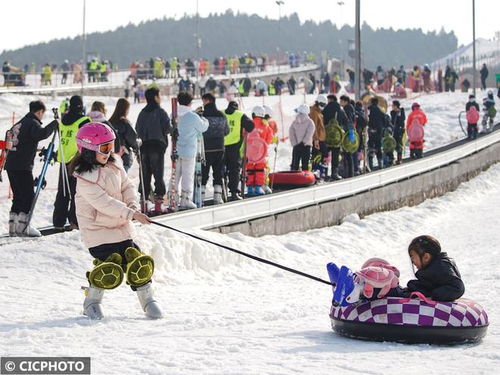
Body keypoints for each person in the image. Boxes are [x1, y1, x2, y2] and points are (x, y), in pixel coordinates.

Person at [72, 122, 162, 320]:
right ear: (88, 149)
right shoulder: (85, 178)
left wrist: (133, 206)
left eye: (111, 145)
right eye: (104, 148)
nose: (109, 151)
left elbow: (126, 186)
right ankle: (92, 302)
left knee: (136, 261)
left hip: (121, 227)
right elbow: (105, 203)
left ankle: (148, 300)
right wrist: (130, 214)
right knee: (110, 265)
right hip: (98, 231)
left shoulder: (115, 163)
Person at [5, 101, 58, 237]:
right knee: (28, 195)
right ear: (39, 112)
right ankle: (23, 227)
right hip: (22, 166)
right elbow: (41, 134)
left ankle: (13, 226)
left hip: (11, 164)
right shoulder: (32, 123)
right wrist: (54, 124)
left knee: (18, 196)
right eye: (42, 114)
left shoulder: (20, 123)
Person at [53, 95, 91, 230]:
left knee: (62, 191)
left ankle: (58, 221)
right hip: (77, 159)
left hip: (63, 158)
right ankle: (74, 221)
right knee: (76, 192)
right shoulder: (84, 120)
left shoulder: (63, 120)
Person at [135, 87, 171, 211]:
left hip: (144, 147)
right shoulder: (160, 112)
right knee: (158, 175)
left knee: (144, 175)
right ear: (155, 97)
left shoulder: (142, 113)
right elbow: (167, 128)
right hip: (157, 147)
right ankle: (158, 205)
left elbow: (138, 130)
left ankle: (144, 203)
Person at [176, 92, 209, 209]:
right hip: (189, 150)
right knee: (187, 176)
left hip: (176, 150)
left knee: (175, 176)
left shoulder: (175, 114)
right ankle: (186, 200)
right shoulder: (192, 116)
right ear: (190, 103)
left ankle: (172, 199)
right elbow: (203, 127)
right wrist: (203, 117)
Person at [405, 235, 465, 301]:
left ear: (426, 257)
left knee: (414, 286)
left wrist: (434, 296)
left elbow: (458, 287)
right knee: (412, 284)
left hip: (439, 294)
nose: (412, 261)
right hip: (435, 288)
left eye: (412, 256)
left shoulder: (441, 267)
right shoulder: (434, 266)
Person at [200, 93, 229, 204]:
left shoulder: (202, 115)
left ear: (207, 101)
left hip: (205, 149)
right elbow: (226, 131)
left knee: (204, 174)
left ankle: (200, 198)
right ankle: (217, 197)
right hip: (219, 148)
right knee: (218, 173)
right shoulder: (221, 115)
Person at [223, 101, 254, 201]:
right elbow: (251, 126)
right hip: (234, 147)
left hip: (221, 146)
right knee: (234, 170)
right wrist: (245, 129)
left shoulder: (221, 113)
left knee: (220, 170)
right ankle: (233, 193)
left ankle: (219, 192)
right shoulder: (240, 115)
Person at [246, 106, 273, 196]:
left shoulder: (248, 124)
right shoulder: (265, 126)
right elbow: (269, 139)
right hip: (261, 154)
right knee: (259, 170)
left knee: (250, 170)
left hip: (249, 154)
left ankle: (249, 188)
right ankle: (258, 188)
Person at [109, 98, 138, 171]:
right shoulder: (124, 123)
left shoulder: (110, 122)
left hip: (110, 157)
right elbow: (133, 139)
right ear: (125, 109)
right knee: (122, 180)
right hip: (123, 157)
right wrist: (136, 147)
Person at [289, 104, 315, 171]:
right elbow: (309, 133)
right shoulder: (310, 122)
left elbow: (291, 133)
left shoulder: (294, 122)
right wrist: (303, 142)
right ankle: (305, 178)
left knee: (295, 163)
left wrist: (295, 143)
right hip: (306, 146)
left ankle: (293, 176)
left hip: (296, 146)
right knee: (305, 163)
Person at [309, 94, 328, 179]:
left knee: (322, 155)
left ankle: (320, 171)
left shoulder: (319, 112)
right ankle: (316, 171)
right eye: (322, 104)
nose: (323, 106)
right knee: (316, 155)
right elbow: (314, 127)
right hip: (317, 138)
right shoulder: (314, 112)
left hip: (321, 137)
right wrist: (316, 139)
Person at [367, 97, 385, 169]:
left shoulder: (369, 110)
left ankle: (370, 164)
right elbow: (384, 121)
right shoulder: (380, 110)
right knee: (378, 146)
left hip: (371, 130)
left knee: (371, 147)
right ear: (377, 103)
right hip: (378, 131)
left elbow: (367, 119)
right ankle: (380, 163)